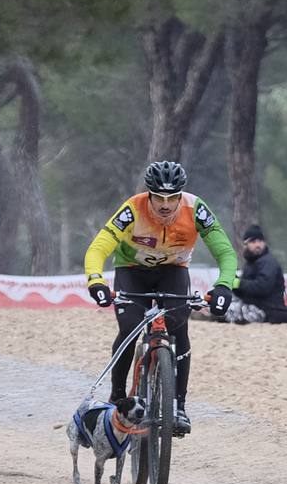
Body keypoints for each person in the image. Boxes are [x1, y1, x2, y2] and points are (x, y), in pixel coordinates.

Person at [83, 160, 237, 435]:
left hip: (172, 271)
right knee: (129, 328)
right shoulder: (133, 208)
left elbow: (225, 252)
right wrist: (96, 280)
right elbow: (99, 247)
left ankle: (179, 406)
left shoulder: (195, 208)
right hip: (132, 271)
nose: (165, 205)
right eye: (159, 198)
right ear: (149, 194)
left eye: (172, 198)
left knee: (179, 326)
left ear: (181, 194)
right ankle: (118, 396)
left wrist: (224, 285)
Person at [222, 224, 287, 324]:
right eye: (253, 242)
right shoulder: (252, 263)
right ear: (245, 245)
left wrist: (238, 283)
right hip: (256, 306)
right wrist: (231, 282)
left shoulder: (268, 262)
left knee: (223, 311)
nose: (257, 245)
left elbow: (262, 287)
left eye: (260, 241)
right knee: (220, 304)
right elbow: (245, 292)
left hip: (267, 310)